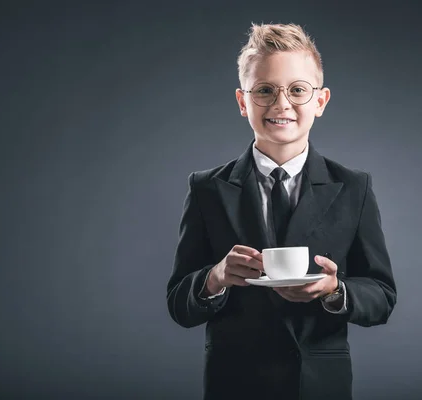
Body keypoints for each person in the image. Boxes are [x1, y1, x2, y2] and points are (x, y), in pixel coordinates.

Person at [166, 22, 397, 400]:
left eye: (297, 90)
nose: (281, 104)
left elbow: (382, 296)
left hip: (320, 385)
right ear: (243, 102)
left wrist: (335, 289)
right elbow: (179, 303)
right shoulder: (206, 188)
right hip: (234, 384)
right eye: (265, 90)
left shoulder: (354, 187)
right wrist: (216, 277)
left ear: (320, 101)